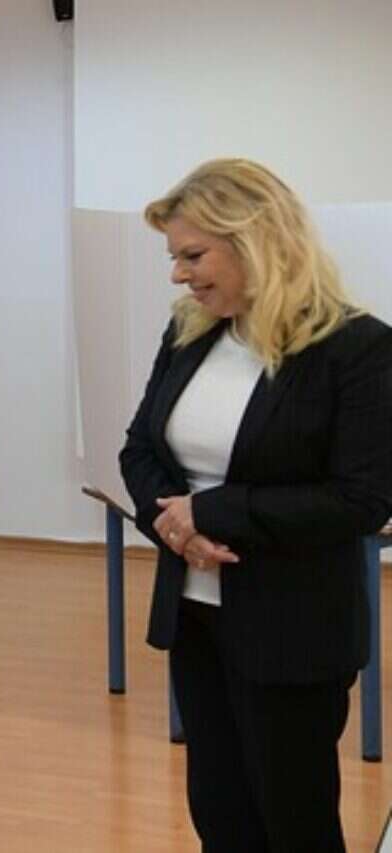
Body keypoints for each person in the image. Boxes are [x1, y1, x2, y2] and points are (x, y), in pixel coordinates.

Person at [119, 158, 392, 852]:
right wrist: (175, 530)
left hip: (292, 629)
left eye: (193, 255)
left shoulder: (356, 348)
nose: (178, 275)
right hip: (196, 617)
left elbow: (361, 499)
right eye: (175, 257)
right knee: (219, 815)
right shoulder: (189, 333)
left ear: (254, 239)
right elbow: (139, 449)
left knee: (294, 824)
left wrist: (212, 513)